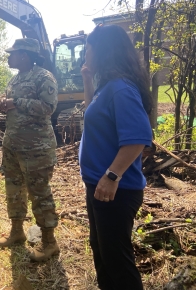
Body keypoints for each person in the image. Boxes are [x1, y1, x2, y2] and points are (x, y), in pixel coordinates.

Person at [79, 24, 152, 290]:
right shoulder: (107, 87)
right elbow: (93, 114)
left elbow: (138, 138)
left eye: (87, 50)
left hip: (116, 190)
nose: (85, 56)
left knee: (117, 261)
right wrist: (88, 81)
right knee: (101, 251)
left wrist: (111, 175)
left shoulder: (121, 89)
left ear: (101, 51)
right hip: (98, 186)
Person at [0, 38, 60, 262]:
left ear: (25, 55)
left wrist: (16, 102)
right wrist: (5, 104)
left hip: (36, 149)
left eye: (13, 53)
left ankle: (50, 242)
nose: (9, 56)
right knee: (14, 190)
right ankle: (17, 232)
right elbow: (15, 106)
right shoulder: (15, 79)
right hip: (13, 145)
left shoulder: (44, 77)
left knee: (39, 193)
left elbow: (49, 108)